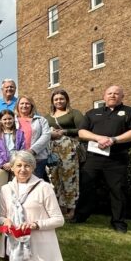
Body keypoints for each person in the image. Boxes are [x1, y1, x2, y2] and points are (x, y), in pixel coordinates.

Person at [74, 85, 131, 233]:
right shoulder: (92, 113)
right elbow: (81, 132)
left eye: (116, 93)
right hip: (93, 158)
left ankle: (118, 222)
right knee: (86, 187)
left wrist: (114, 139)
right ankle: (80, 216)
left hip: (117, 159)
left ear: (122, 96)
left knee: (117, 190)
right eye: (109, 93)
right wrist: (98, 138)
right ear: (104, 96)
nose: (112, 96)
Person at [44, 89, 86, 218]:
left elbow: (83, 129)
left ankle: (71, 208)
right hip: (51, 150)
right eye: (56, 99)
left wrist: (65, 131)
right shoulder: (47, 117)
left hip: (68, 150)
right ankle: (59, 206)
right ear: (52, 101)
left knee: (69, 178)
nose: (59, 101)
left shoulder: (74, 113)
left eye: (61, 98)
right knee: (54, 178)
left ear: (66, 99)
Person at [0, 109, 25, 216]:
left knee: (15, 188)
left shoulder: (19, 133)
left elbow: (22, 149)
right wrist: (2, 164)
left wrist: (14, 163)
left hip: (15, 164)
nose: (7, 121)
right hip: (1, 166)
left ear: (14, 119)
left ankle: (12, 213)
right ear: (0, 120)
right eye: (4, 119)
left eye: (10, 119)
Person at [15, 96, 52, 181]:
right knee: (20, 184)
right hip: (18, 158)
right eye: (22, 103)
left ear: (31, 106)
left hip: (37, 158)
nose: (24, 106)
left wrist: (32, 150)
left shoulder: (41, 120)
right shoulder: (12, 120)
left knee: (35, 184)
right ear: (17, 105)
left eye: (27, 103)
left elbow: (46, 136)